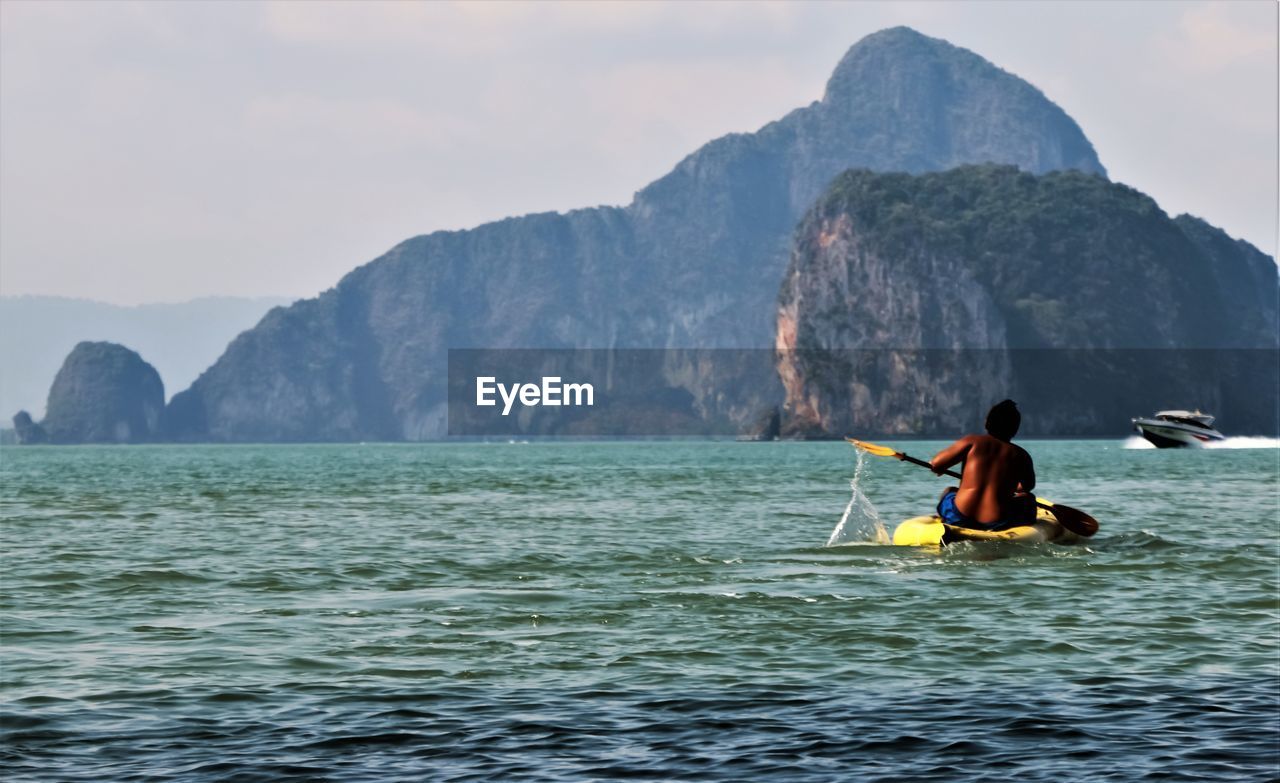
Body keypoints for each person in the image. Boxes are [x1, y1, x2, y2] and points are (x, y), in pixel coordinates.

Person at [930, 399, 1036, 530]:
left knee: (949, 491)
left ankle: (945, 519)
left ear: (987, 423)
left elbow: (936, 464)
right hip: (996, 521)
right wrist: (1009, 486)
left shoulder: (971, 442)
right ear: (1015, 429)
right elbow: (1027, 487)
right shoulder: (1021, 455)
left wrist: (940, 468)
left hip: (960, 517)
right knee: (1028, 499)